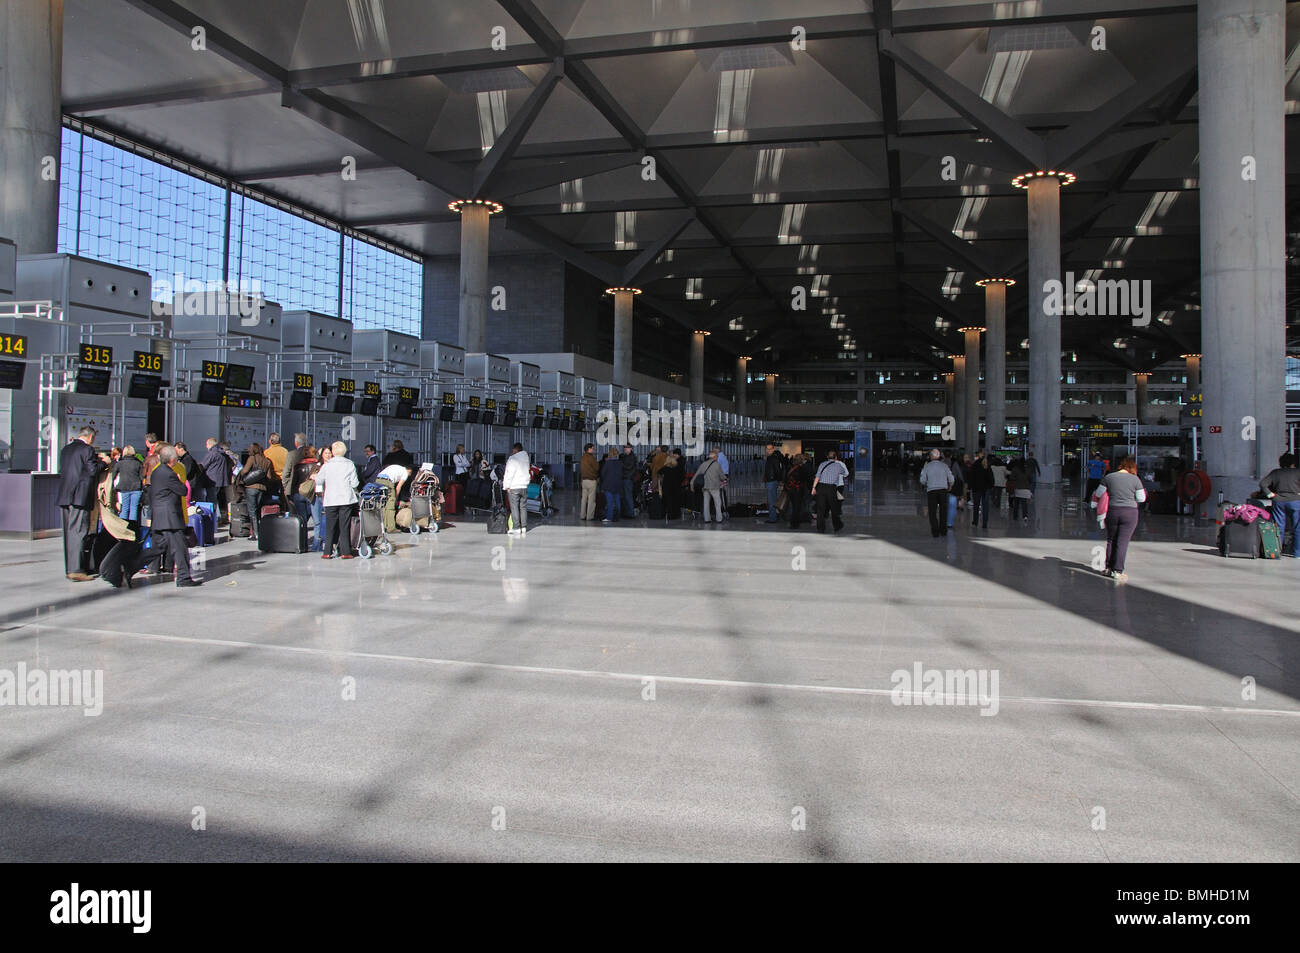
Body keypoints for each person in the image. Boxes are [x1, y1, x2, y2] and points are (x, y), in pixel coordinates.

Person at [132, 444, 200, 588]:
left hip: (159, 516)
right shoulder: (169, 474)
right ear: (172, 459)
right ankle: (183, 577)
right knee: (180, 547)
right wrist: (178, 479)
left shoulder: (156, 471)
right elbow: (182, 490)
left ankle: (129, 568)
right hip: (170, 517)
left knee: (157, 549)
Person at [58, 426, 110, 581]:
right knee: (79, 531)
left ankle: (70, 568)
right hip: (79, 496)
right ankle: (77, 570)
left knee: (68, 533)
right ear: (91, 437)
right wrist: (104, 463)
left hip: (65, 495)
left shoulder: (66, 449)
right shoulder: (87, 450)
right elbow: (93, 470)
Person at [1092, 456, 1147, 583]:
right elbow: (1141, 498)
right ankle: (1118, 571)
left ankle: (1108, 568)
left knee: (1111, 539)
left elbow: (1099, 494)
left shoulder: (1109, 477)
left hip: (1113, 511)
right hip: (1130, 513)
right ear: (1132, 467)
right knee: (1122, 542)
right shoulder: (1135, 479)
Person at [318, 441, 359, 559]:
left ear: (333, 451)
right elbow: (355, 483)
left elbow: (319, 480)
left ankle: (327, 552)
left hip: (330, 499)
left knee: (330, 526)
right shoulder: (349, 464)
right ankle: (345, 552)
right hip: (346, 499)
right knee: (344, 526)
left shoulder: (327, 465)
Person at [1259, 452, 1300, 557]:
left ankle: (1277, 551)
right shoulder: (1297, 472)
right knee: (1297, 527)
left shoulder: (1276, 472)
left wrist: (1270, 494)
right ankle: (1297, 553)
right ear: (1293, 463)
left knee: (1279, 527)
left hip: (1279, 501)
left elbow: (1263, 484)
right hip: (1295, 501)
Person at [237, 442, 275, 541]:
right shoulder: (267, 461)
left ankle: (255, 534)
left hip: (251, 487)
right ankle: (257, 532)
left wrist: (242, 475)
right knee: (257, 510)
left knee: (252, 511)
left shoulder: (252, 459)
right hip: (262, 488)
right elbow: (269, 477)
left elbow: (244, 471)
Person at [919, 449, 954, 538]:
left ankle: (935, 531)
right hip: (943, 491)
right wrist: (950, 485)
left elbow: (922, 480)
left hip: (931, 491)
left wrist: (926, 483)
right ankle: (943, 531)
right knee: (943, 511)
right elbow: (951, 478)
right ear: (939, 457)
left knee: (932, 512)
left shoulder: (927, 467)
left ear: (931, 457)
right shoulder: (944, 466)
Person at [813, 450, 849, 534]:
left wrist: (813, 487)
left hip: (821, 487)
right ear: (835, 457)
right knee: (834, 508)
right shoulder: (838, 465)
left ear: (827, 457)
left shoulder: (822, 464)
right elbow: (844, 473)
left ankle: (820, 528)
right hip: (831, 488)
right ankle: (837, 526)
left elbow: (817, 476)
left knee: (820, 509)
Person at [199, 437, 233, 522]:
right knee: (217, 499)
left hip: (212, 480)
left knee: (211, 500)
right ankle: (220, 518)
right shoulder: (222, 453)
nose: (206, 446)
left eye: (206, 444)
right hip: (221, 480)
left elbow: (203, 465)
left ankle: (213, 520)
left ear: (210, 444)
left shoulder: (212, 453)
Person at [282, 432, 311, 525]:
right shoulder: (312, 453)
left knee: (296, 512)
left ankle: (300, 530)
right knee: (308, 511)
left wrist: (286, 486)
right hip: (310, 488)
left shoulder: (291, 454)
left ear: (296, 443)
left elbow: (286, 473)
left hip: (295, 488)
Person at [374, 461, 411, 533]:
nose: (409, 475)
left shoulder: (396, 466)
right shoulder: (405, 473)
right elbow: (399, 487)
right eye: (410, 473)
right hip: (387, 481)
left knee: (383, 504)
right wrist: (396, 499)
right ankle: (391, 528)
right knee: (390, 505)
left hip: (378, 480)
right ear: (409, 470)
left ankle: (383, 526)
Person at [503, 442, 531, 536]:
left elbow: (509, 473)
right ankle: (524, 527)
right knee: (523, 507)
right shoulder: (526, 457)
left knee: (514, 507)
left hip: (514, 486)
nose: (512, 451)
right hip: (524, 486)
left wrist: (507, 485)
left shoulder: (513, 459)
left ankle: (516, 527)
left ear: (515, 450)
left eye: (513, 449)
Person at [309, 445, 333, 552]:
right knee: (317, 521)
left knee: (326, 521)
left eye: (329, 453)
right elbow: (310, 476)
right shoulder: (317, 465)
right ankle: (316, 544)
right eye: (325, 453)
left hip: (327, 496)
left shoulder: (333, 465)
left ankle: (325, 544)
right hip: (317, 495)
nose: (327, 455)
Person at [112, 444, 144, 523]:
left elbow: (113, 475)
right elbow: (141, 477)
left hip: (124, 487)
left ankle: (123, 528)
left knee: (125, 508)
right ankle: (132, 528)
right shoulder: (138, 463)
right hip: (136, 488)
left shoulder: (120, 463)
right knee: (134, 508)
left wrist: (114, 486)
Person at [785, 453, 814, 530]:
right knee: (797, 507)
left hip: (790, 490)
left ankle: (793, 521)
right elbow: (805, 479)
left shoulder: (790, 467)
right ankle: (795, 523)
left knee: (794, 506)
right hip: (797, 490)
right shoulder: (801, 469)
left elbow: (785, 477)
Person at [696, 449, 725, 524]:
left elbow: (697, 474)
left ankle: (707, 519)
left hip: (705, 487)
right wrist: (724, 478)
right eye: (717, 456)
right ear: (714, 457)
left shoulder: (704, 464)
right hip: (714, 487)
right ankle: (719, 518)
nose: (717, 457)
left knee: (706, 503)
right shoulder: (717, 464)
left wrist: (692, 483)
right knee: (717, 503)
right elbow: (721, 476)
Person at [968, 454, 993, 529]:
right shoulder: (987, 466)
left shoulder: (974, 466)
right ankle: (984, 523)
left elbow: (971, 477)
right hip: (985, 489)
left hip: (976, 489)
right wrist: (991, 486)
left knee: (976, 505)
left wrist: (970, 487)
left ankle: (975, 521)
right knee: (985, 506)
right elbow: (991, 477)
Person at [763, 443, 787, 523]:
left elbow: (777, 470)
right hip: (771, 480)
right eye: (767, 449)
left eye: (770, 449)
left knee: (771, 501)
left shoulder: (773, 458)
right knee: (774, 499)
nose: (768, 450)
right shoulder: (771, 457)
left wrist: (779, 480)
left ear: (773, 449)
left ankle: (772, 518)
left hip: (771, 481)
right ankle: (776, 515)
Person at [599, 448, 623, 523]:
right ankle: (617, 516)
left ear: (610, 454)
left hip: (608, 484)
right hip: (618, 484)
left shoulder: (608, 463)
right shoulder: (620, 463)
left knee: (609, 502)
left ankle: (609, 517)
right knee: (617, 501)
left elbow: (603, 473)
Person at [264, 433, 288, 506]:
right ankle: (284, 511)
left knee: (272, 499)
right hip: (283, 478)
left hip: (271, 479)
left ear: (270, 441)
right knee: (284, 498)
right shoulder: (285, 451)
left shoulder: (266, 452)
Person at [661, 450, 683, 520]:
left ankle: (669, 515)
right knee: (675, 501)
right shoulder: (677, 468)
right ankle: (676, 515)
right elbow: (682, 476)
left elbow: (658, 472)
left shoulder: (665, 468)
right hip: (676, 487)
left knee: (668, 501)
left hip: (666, 487)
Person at [579, 443, 600, 520]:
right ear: (589, 449)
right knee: (591, 500)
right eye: (593, 448)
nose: (593, 450)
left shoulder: (582, 457)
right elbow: (597, 468)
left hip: (584, 481)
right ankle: (589, 516)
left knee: (584, 499)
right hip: (591, 481)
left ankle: (582, 515)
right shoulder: (591, 458)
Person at [619, 443, 637, 518]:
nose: (625, 449)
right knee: (625, 496)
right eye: (624, 448)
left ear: (631, 448)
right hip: (625, 478)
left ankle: (631, 513)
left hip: (628, 478)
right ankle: (627, 512)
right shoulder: (625, 456)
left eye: (627, 448)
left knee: (628, 496)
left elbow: (629, 467)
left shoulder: (632, 457)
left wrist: (621, 463)